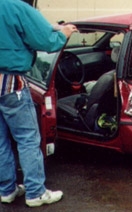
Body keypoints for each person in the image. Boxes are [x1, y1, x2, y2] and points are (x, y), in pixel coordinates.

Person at [0, 0, 77, 207]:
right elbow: (45, 40)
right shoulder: (17, 7)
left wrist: (53, 26)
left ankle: (7, 190)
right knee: (27, 139)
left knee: (0, 142)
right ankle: (35, 192)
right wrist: (64, 34)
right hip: (11, 83)